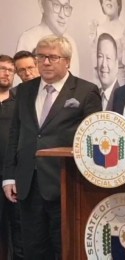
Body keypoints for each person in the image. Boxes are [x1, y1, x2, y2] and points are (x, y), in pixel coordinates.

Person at [2, 35, 102, 259]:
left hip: (66, 183)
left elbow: (94, 139)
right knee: (33, 249)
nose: (45, 62)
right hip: (28, 184)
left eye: (52, 57)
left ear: (67, 60)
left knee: (65, 248)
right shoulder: (24, 91)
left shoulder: (86, 91)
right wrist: (9, 176)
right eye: (41, 56)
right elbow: (15, 134)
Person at [16, 0, 80, 76]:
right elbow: (20, 82)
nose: (62, 15)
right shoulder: (28, 39)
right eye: (56, 5)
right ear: (42, 5)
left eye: (66, 7)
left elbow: (75, 83)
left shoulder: (71, 42)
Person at [90, 0, 125, 86]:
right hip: (101, 87)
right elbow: (95, 71)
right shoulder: (97, 30)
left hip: (120, 85)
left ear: (118, 3)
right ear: (102, 4)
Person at [0, 55, 16, 260]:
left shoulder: (19, 103)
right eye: (2, 68)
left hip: (11, 175)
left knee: (14, 229)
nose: (6, 73)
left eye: (10, 70)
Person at [96, 33, 120, 110]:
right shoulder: (93, 96)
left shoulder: (124, 98)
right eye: (100, 56)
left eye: (108, 58)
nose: (104, 64)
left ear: (117, 64)